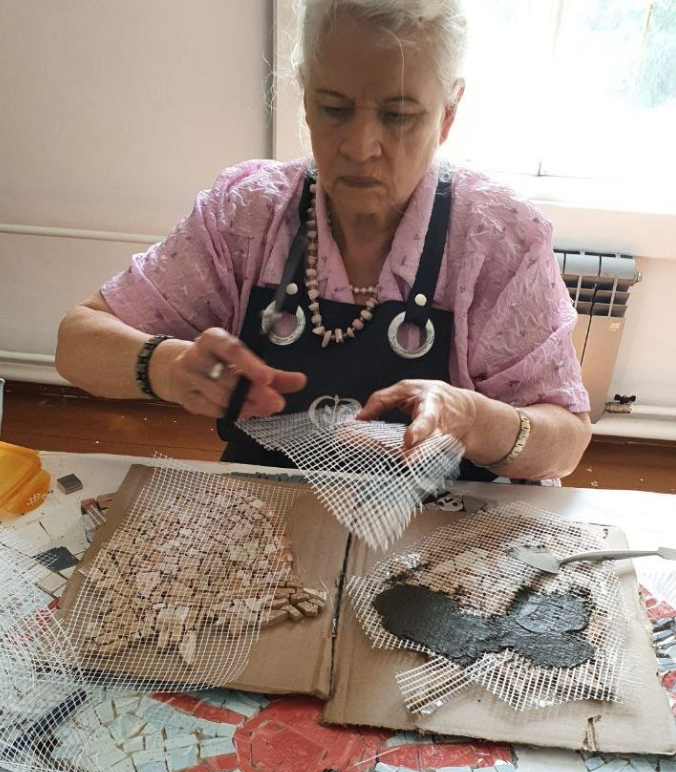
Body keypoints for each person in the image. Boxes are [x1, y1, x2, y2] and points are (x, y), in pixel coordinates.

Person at [56, 0, 591, 482]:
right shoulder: (248, 214)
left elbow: (565, 442)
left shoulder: (497, 240)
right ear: (306, 99)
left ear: (447, 115)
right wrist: (167, 367)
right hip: (266, 515)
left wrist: (474, 420)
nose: (359, 147)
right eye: (334, 108)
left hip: (441, 533)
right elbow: (77, 342)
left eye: (398, 116)